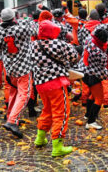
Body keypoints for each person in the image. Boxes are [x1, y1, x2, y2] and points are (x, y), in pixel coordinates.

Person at [31, 20, 78, 156]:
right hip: (56, 83)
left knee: (47, 110)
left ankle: (40, 138)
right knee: (61, 113)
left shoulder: (32, 45)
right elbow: (74, 57)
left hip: (40, 84)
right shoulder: (59, 44)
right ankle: (57, 146)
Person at [0, 8, 35, 138]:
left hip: (9, 67)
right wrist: (25, 20)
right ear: (14, 17)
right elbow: (34, 30)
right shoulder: (21, 28)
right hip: (23, 67)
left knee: (14, 93)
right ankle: (12, 121)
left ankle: (11, 116)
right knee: (24, 94)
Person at [79, 27, 108, 130]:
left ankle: (87, 114)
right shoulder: (99, 53)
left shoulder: (88, 39)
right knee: (99, 99)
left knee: (92, 95)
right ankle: (91, 121)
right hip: (93, 75)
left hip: (84, 71)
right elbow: (104, 64)